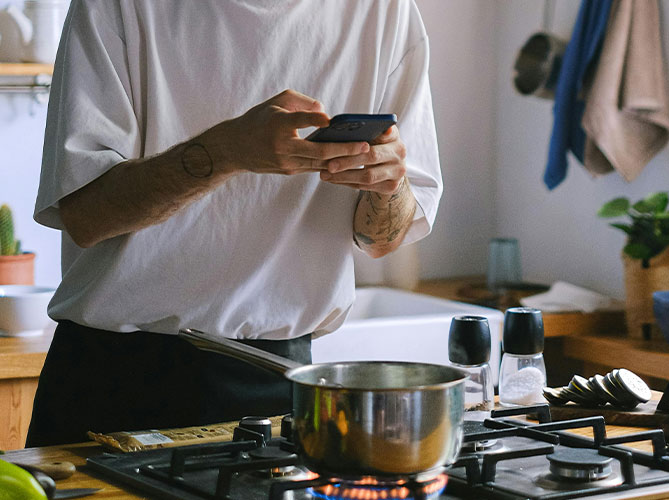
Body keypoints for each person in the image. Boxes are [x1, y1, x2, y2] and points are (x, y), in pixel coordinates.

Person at [27, 0, 442, 447]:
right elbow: (85, 215)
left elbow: (383, 239)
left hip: (284, 387)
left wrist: (388, 185)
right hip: (115, 381)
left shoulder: (385, 10)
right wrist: (225, 153)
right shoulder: (115, 5)